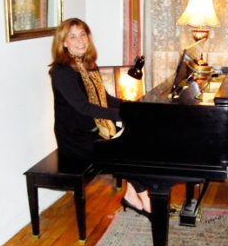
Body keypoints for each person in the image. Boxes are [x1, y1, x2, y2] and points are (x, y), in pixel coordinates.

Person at [49, 18, 151, 217]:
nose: (80, 40)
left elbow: (104, 98)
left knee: (135, 143)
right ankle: (145, 197)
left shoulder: (88, 65)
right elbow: (84, 108)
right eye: (73, 36)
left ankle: (131, 194)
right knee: (124, 151)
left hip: (94, 130)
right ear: (64, 43)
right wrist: (123, 114)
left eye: (83, 34)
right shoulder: (61, 72)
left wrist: (130, 106)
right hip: (76, 138)